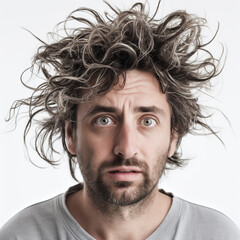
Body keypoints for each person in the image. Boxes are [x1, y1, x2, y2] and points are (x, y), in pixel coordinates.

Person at [1, 1, 240, 240]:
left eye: (147, 121)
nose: (126, 149)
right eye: (103, 120)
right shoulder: (21, 235)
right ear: (71, 135)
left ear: (173, 137)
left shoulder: (217, 234)